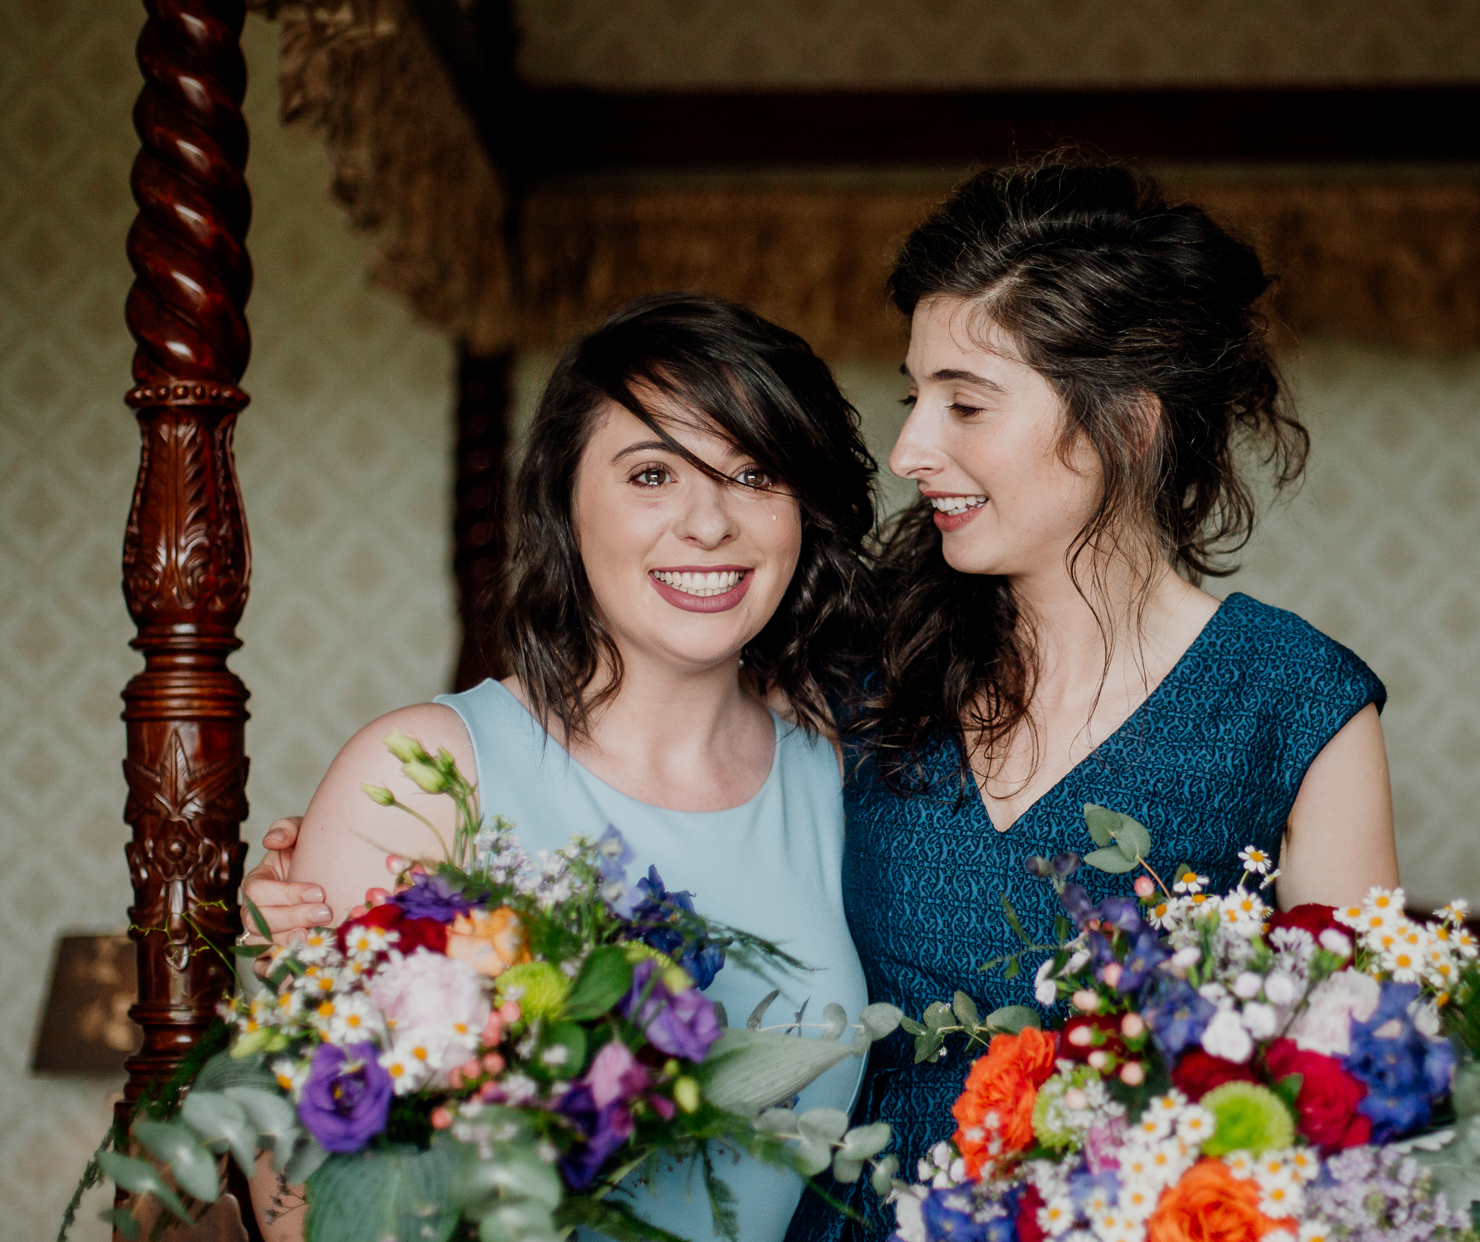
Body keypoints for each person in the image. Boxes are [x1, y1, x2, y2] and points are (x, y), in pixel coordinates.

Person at [248, 163, 1402, 1242]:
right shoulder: (869, 666)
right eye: (914, 398)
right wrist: (330, 937)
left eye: (965, 403)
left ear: (1128, 424)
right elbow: (639, 714)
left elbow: (1361, 1113)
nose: (911, 447)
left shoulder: (1298, 704)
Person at [243, 292, 879, 1242]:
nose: (709, 524)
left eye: (754, 473)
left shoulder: (838, 775)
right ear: (565, 505)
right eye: (653, 474)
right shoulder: (420, 775)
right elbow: (297, 1210)